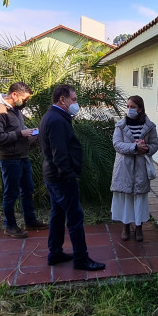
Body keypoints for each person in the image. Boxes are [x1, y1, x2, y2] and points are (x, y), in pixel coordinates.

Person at [39, 84, 106, 271]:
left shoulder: (53, 117)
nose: (76, 104)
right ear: (63, 100)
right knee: (75, 218)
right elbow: (59, 153)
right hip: (61, 178)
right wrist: (69, 176)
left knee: (57, 215)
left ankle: (55, 253)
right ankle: (81, 258)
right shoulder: (57, 120)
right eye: (74, 100)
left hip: (53, 176)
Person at [0, 82, 48, 239]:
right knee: (11, 193)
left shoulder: (15, 110)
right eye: (24, 98)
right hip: (9, 160)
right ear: (14, 94)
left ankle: (30, 221)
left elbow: (19, 130)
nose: (26, 102)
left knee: (28, 190)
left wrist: (35, 133)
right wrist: (20, 134)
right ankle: (10, 226)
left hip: (22, 157)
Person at [110, 96, 158, 242]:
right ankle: (125, 227)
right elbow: (117, 144)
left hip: (141, 169)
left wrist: (146, 148)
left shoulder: (150, 126)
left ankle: (139, 228)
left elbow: (155, 145)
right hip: (124, 168)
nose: (129, 109)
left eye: (132, 106)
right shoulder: (120, 125)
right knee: (126, 198)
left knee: (139, 199)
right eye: (128, 106)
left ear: (140, 109)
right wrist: (134, 147)